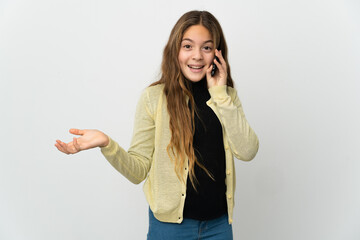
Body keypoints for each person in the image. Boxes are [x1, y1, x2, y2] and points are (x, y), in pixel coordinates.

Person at [55, 10, 259, 240]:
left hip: (219, 226)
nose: (197, 56)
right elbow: (138, 170)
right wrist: (107, 144)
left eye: (207, 47)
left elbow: (248, 151)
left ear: (217, 54)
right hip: (170, 229)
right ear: (175, 50)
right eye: (188, 46)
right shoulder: (153, 98)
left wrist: (220, 95)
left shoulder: (226, 97)